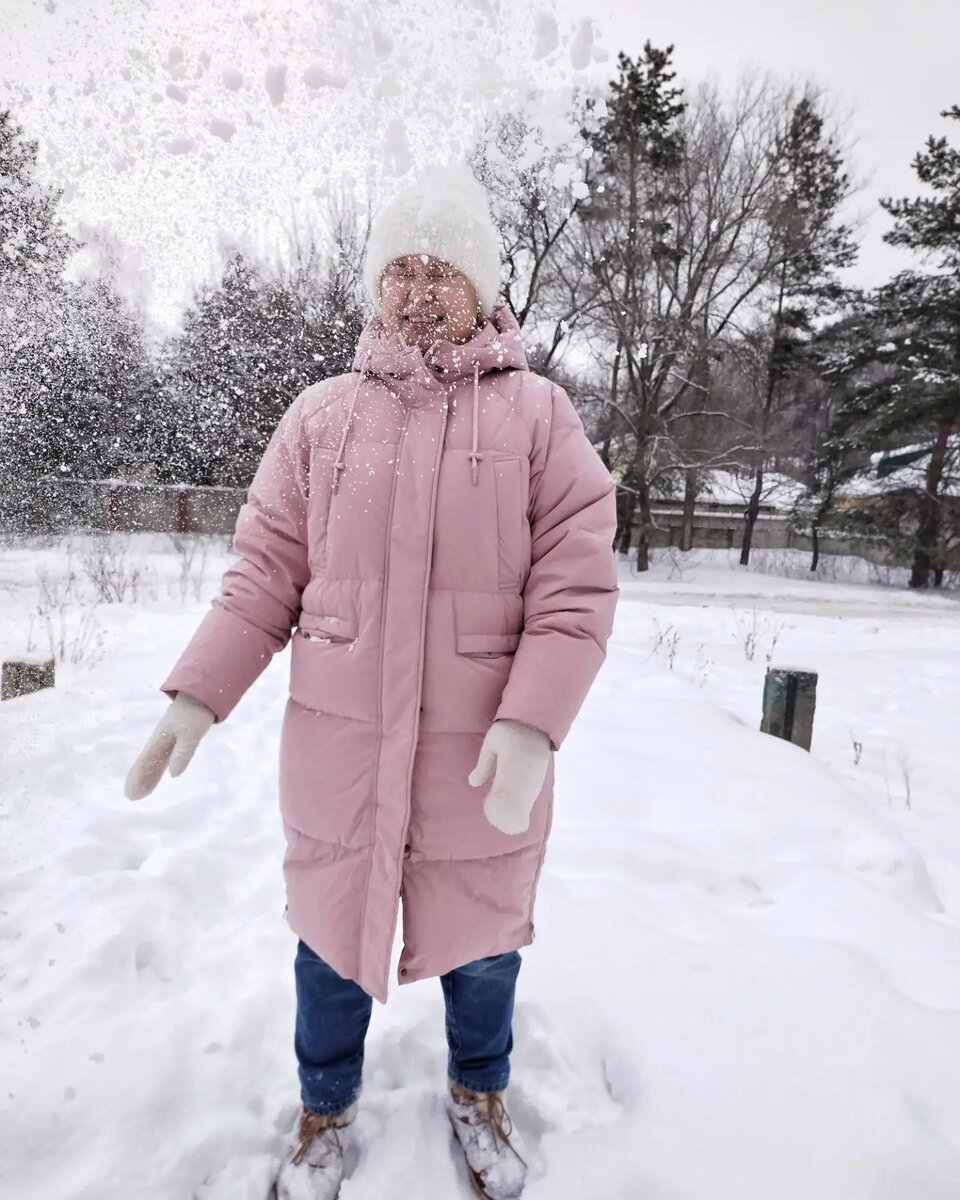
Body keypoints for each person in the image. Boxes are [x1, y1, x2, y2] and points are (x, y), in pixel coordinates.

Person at [124, 163, 619, 1200]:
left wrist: (532, 724)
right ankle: (324, 1107)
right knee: (331, 945)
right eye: (402, 269)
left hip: (480, 758)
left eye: (444, 271)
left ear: (482, 287)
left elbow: (575, 588)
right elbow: (264, 573)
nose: (420, 291)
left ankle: (479, 1091)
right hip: (342, 753)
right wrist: (198, 694)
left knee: (485, 948)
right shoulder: (321, 418)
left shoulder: (539, 418)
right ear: (375, 285)